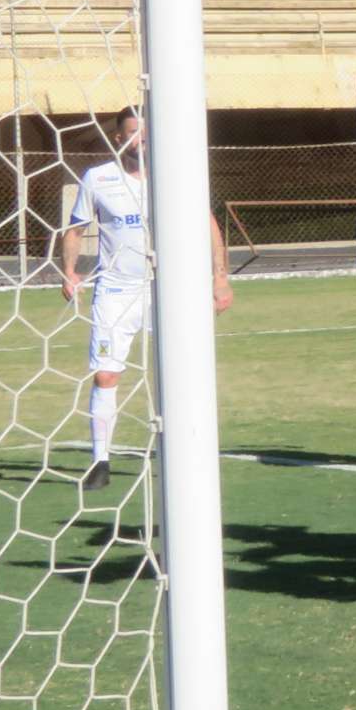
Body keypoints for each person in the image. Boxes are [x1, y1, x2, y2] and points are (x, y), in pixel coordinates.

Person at [55, 105, 232, 492]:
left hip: (169, 291)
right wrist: (69, 271)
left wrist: (220, 278)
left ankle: (187, 454)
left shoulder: (177, 175)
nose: (141, 141)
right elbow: (76, 228)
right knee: (106, 374)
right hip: (116, 291)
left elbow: (208, 224)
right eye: (134, 134)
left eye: (147, 134)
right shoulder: (98, 178)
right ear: (119, 138)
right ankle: (101, 461)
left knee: (180, 373)